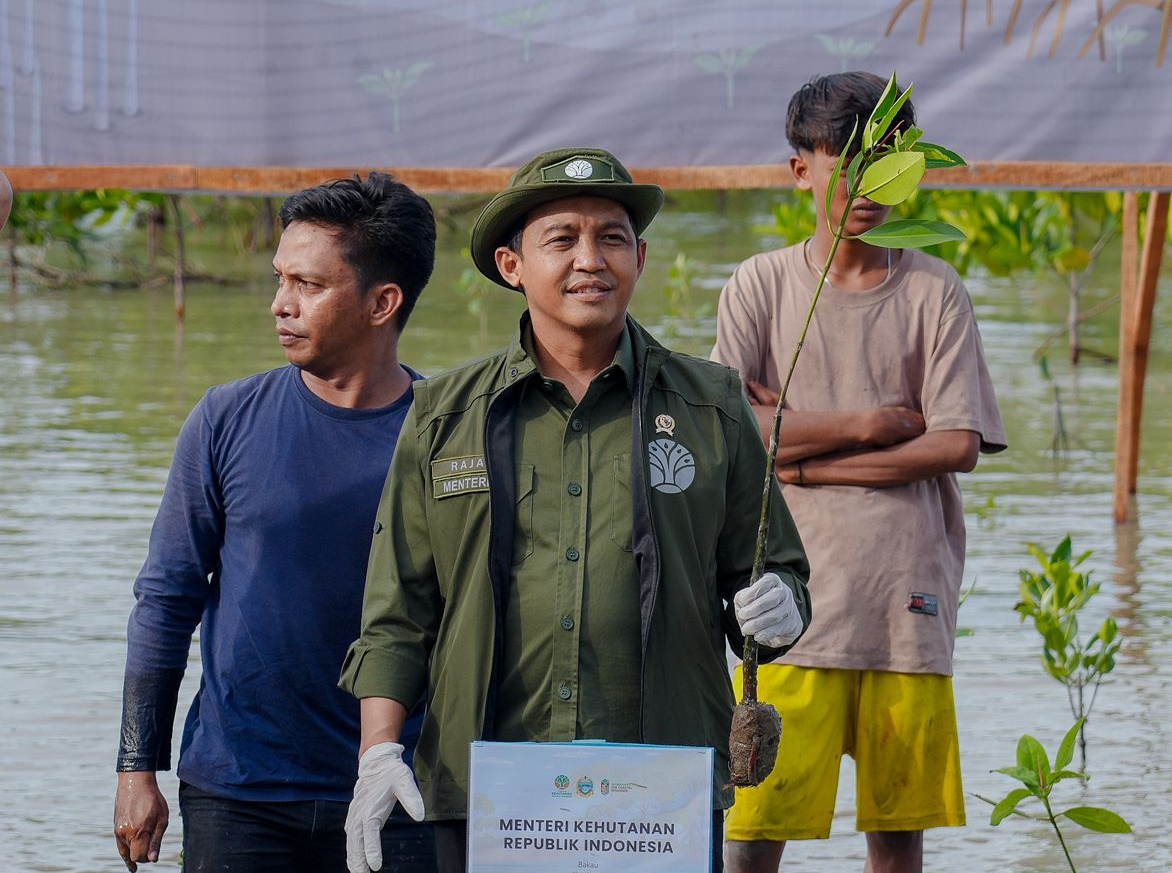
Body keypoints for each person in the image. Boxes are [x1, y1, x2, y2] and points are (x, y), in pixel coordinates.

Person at [338, 146, 812, 873]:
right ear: (511, 264)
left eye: (612, 237)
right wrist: (379, 751)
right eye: (561, 238)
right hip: (490, 784)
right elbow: (398, 608)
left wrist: (781, 605)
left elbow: (774, 576)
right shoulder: (444, 414)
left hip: (660, 795)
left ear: (642, 258)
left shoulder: (712, 404)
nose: (590, 258)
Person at [711, 72, 1007, 873]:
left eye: (884, 160)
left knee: (897, 835)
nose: (867, 184)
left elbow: (956, 445)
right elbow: (732, 433)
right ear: (800, 169)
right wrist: (873, 422)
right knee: (751, 830)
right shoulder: (761, 286)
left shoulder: (934, 290)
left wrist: (798, 452)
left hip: (904, 600)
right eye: (846, 160)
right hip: (785, 608)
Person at [113, 173, 439, 873]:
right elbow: (166, 598)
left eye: (308, 285)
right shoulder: (225, 419)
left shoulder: (447, 436)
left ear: (383, 302)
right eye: (279, 277)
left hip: (402, 789)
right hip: (240, 792)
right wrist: (137, 768)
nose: (280, 304)